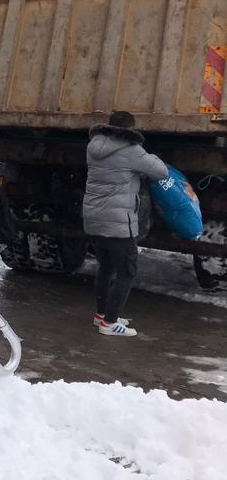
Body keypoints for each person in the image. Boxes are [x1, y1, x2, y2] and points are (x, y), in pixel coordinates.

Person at [83, 111, 167, 337]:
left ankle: (101, 314)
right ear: (130, 130)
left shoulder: (95, 145)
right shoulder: (132, 151)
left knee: (106, 266)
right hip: (118, 222)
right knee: (127, 271)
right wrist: (152, 156)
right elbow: (161, 172)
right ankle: (110, 323)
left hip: (94, 218)